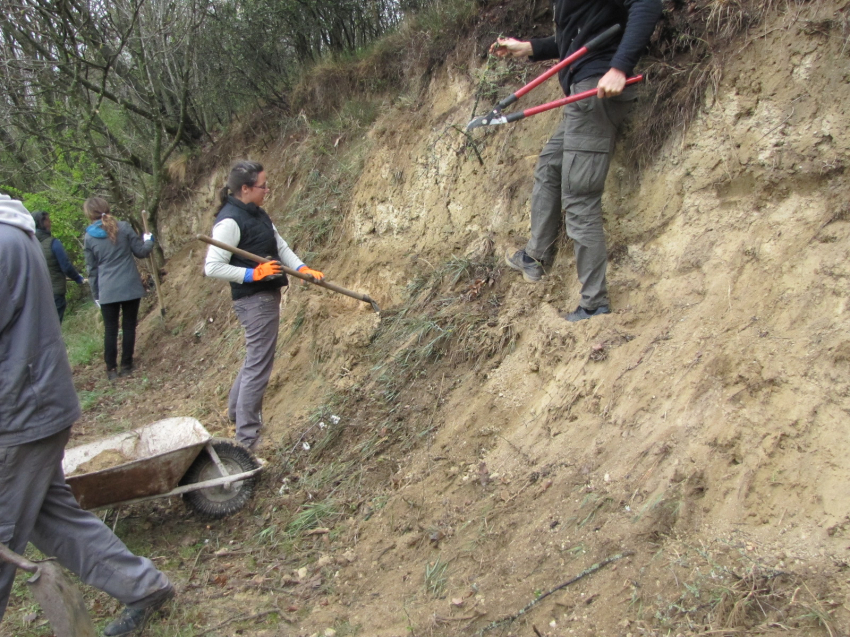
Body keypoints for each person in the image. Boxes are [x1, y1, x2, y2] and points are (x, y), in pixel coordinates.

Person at [0, 193, 174, 636]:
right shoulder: (22, 235)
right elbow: (136, 252)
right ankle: (143, 586)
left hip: (18, 409)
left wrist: (96, 289)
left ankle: (118, 369)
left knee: (3, 528)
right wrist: (146, 241)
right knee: (51, 516)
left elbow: (92, 267)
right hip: (36, 397)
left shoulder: (8, 241)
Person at [493, 0, 662, 321]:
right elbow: (578, 40)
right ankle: (536, 257)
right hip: (584, 90)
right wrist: (530, 48)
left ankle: (594, 304)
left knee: (580, 197)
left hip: (596, 91)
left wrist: (620, 67)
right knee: (549, 166)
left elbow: (647, 3)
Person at [204, 160, 324, 451]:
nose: (267, 190)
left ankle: (235, 414)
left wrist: (303, 267)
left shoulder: (257, 214)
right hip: (253, 301)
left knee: (254, 360)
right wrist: (251, 274)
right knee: (259, 366)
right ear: (245, 188)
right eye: (263, 186)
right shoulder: (230, 221)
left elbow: (279, 245)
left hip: (265, 297)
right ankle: (247, 438)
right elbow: (212, 266)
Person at [83, 197, 155, 380]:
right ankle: (127, 364)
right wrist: (149, 240)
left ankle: (111, 370)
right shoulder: (123, 227)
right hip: (130, 285)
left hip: (107, 289)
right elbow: (141, 252)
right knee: (129, 326)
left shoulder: (90, 237)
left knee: (111, 329)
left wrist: (96, 295)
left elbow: (92, 270)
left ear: (89, 214)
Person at [32, 210, 87, 322]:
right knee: (54, 326)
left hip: (35, 293)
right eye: (48, 220)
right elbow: (66, 266)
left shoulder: (28, 243)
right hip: (54, 292)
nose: (50, 222)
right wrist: (78, 278)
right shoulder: (53, 243)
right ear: (42, 223)